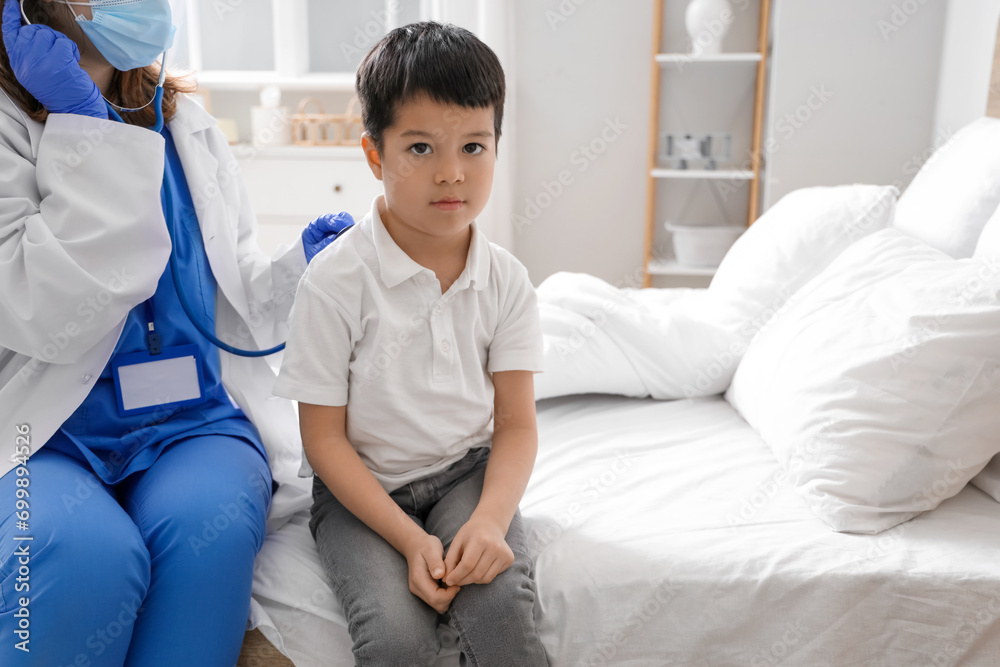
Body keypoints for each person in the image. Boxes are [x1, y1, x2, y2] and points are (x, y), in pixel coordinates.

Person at [0, 1, 352, 665]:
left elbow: (227, 285)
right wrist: (81, 121)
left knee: (206, 533)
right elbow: (34, 302)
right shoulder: (6, 124)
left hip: (191, 423)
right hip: (40, 432)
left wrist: (298, 268)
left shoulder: (183, 120)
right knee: (82, 557)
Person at [273, 21, 550, 666]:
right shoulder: (335, 282)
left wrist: (486, 522)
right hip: (360, 494)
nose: (452, 174)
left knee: (503, 613)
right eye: (421, 148)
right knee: (396, 641)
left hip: (467, 477)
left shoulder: (506, 279)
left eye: (474, 147)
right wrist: (407, 539)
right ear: (375, 156)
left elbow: (515, 425)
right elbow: (323, 441)